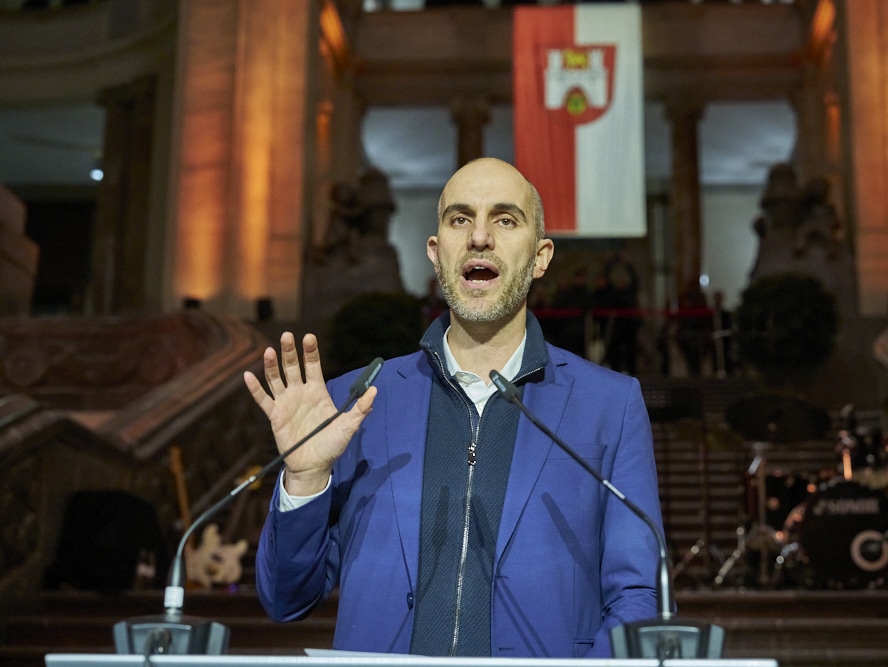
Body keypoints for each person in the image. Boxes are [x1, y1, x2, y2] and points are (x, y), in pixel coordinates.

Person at [244, 157, 663, 658]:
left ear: (541, 256)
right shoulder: (356, 403)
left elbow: (638, 597)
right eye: (459, 219)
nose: (479, 237)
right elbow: (286, 599)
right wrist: (306, 480)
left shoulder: (609, 406)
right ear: (436, 250)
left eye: (506, 220)